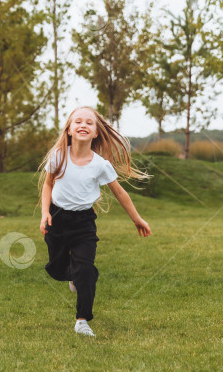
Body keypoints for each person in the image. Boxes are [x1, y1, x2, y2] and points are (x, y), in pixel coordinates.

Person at [37, 105, 152, 337]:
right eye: (78, 121)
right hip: (57, 219)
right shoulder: (58, 156)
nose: (83, 125)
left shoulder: (100, 164)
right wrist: (45, 212)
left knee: (86, 270)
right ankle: (74, 276)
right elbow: (48, 184)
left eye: (89, 123)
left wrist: (137, 219)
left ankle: (82, 320)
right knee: (57, 269)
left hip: (83, 224)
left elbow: (120, 193)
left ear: (96, 132)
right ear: (69, 129)